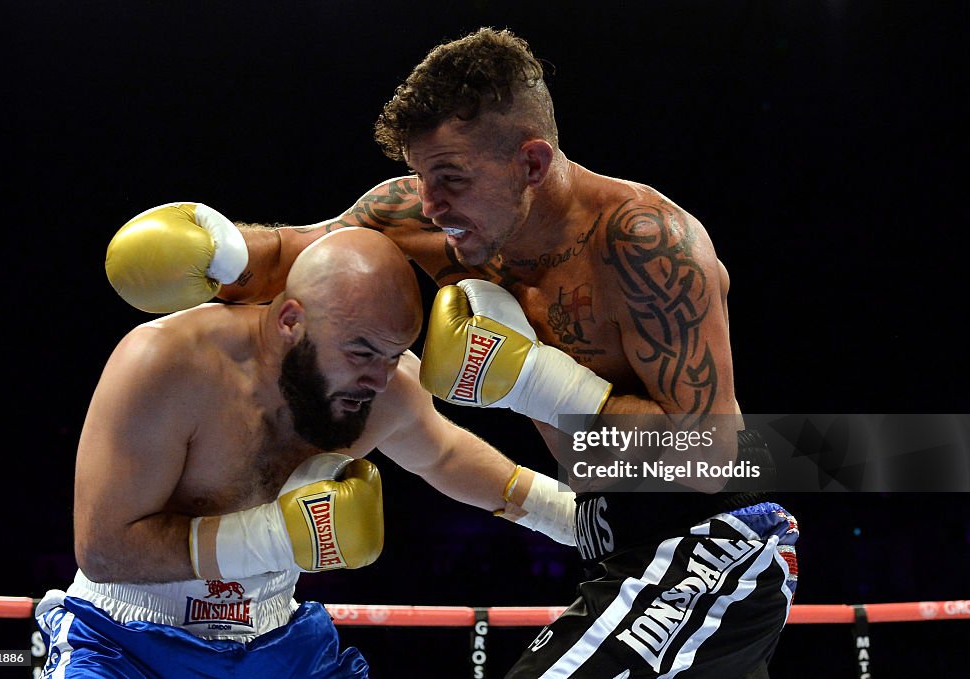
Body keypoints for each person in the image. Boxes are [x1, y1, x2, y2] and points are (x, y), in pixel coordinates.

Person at [105, 29, 799, 678]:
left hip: (712, 540)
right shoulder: (428, 214)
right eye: (421, 177)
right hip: (612, 547)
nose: (430, 205)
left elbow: (709, 454)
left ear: (531, 162)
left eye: (451, 179)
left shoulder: (646, 243)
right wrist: (220, 249)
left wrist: (535, 382)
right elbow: (303, 252)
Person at [42, 222, 578, 678]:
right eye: (362, 351)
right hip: (126, 640)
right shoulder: (167, 363)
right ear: (290, 321)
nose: (379, 377)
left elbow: (446, 457)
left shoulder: (383, 388)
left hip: (276, 643)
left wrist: (582, 520)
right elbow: (105, 550)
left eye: (394, 354)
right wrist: (276, 538)